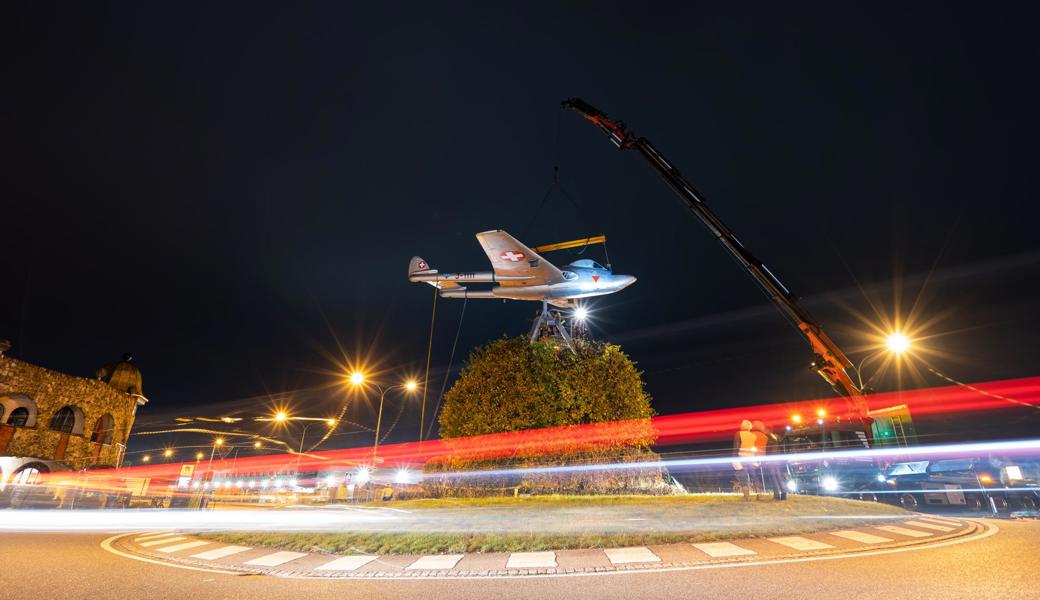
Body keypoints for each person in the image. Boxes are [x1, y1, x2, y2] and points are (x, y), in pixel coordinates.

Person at [753, 420, 786, 500]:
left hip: (770, 460)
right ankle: (783, 493)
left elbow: (763, 449)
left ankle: (777, 495)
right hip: (777, 459)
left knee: (773, 477)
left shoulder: (766, 437)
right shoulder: (775, 436)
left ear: (766, 429)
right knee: (778, 476)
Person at [733, 420, 757, 501]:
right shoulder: (753, 436)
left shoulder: (738, 433)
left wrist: (734, 457)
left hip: (741, 457)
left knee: (743, 477)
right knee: (753, 477)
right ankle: (759, 495)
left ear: (743, 426)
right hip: (750, 458)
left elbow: (736, 446)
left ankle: (747, 498)